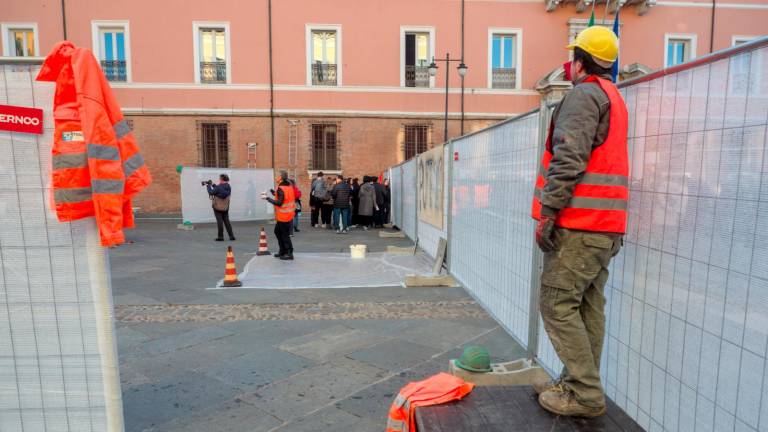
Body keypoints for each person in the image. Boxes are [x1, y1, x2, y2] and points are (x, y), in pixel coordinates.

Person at [531, 26, 627, 418]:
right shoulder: (613, 97)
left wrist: (548, 214)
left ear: (580, 61)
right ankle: (577, 384)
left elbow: (568, 159)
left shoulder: (583, 95)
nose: (568, 64)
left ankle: (585, 394)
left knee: (555, 303)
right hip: (606, 225)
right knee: (586, 305)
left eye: (572, 57)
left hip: (580, 224)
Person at [263, 171, 296, 260]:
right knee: (277, 232)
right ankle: (283, 250)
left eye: (278, 176)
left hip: (283, 215)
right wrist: (275, 193)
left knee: (284, 234)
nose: (276, 178)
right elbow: (284, 197)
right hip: (288, 214)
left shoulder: (281, 188)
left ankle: (289, 253)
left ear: (281, 178)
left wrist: (268, 198)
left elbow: (279, 202)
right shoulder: (288, 186)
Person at [206, 173, 235, 242]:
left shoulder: (219, 187)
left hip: (217, 207)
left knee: (220, 221)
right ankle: (231, 236)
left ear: (221, 179)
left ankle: (220, 237)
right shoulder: (228, 186)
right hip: (225, 206)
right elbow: (220, 190)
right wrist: (213, 184)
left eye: (219, 178)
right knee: (226, 220)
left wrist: (208, 186)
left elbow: (211, 192)